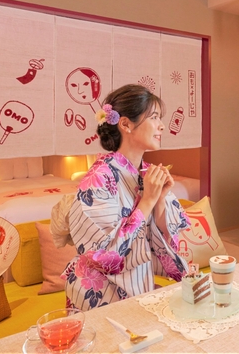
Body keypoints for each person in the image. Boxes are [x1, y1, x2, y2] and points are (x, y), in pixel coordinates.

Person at [59, 84, 190, 311]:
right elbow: (103, 255)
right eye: (154, 117)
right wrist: (147, 201)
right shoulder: (98, 179)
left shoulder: (146, 173)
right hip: (99, 294)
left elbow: (166, 241)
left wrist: (159, 199)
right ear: (126, 124)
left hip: (138, 284)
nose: (161, 125)